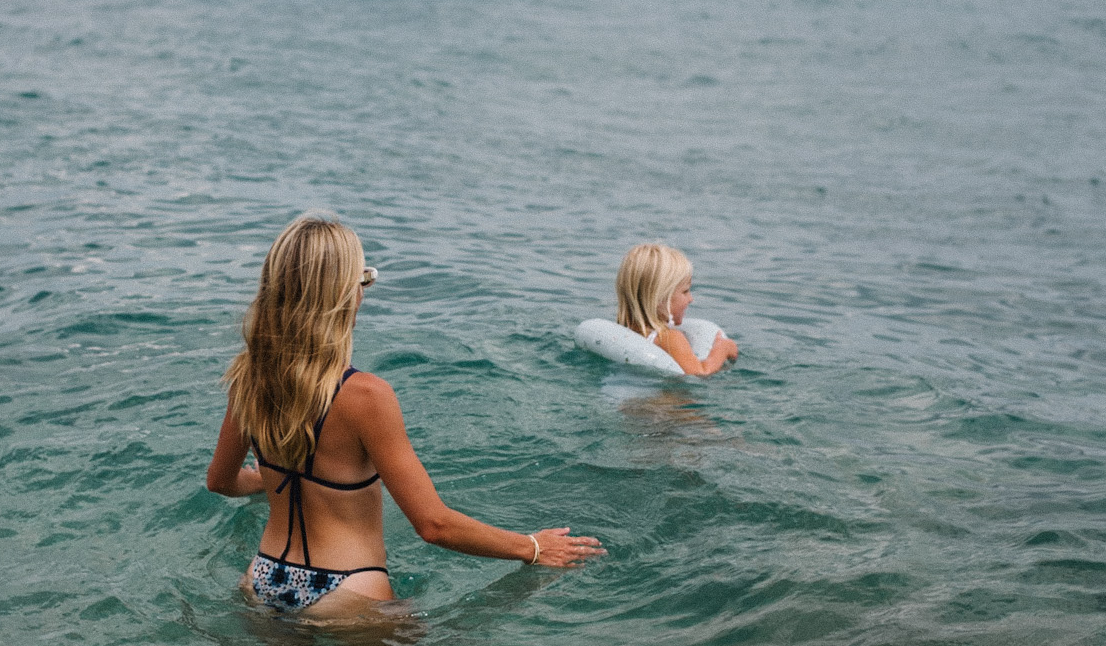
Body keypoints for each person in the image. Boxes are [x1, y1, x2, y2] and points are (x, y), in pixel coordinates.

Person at [206, 214, 605, 618]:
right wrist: (533, 547)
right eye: (363, 279)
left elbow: (220, 481)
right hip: (347, 588)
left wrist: (265, 478)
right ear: (344, 294)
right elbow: (434, 525)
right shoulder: (367, 395)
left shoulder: (250, 376)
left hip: (263, 577)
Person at [615, 241, 739, 377]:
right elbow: (699, 373)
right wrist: (722, 350)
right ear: (660, 298)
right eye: (685, 291)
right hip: (669, 398)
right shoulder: (670, 338)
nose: (690, 299)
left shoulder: (624, 331)